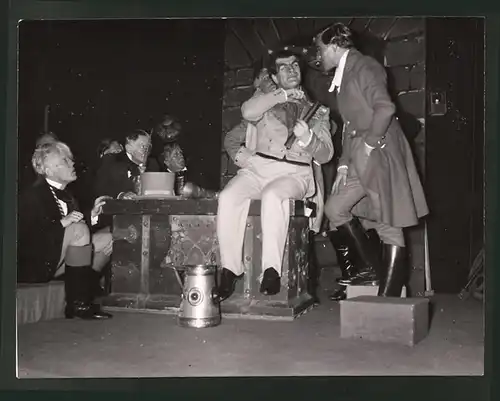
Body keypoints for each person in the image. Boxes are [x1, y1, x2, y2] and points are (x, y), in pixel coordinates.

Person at [315, 23, 429, 298]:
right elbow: (350, 125)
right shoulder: (344, 74)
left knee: (389, 223)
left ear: (333, 46)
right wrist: (343, 163)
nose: (318, 57)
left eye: (320, 50)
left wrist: (368, 144)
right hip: (358, 156)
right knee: (335, 209)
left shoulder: (365, 66)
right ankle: (378, 273)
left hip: (379, 152)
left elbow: (385, 108)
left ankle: (388, 295)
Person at [215, 48, 334, 302]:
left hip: (295, 173)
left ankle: (271, 270)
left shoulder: (318, 111)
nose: (291, 70)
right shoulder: (266, 98)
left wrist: (309, 138)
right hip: (259, 168)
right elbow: (247, 113)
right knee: (228, 197)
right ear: (275, 76)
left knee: (272, 196)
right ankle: (230, 268)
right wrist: (283, 94)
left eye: (295, 65)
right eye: (283, 67)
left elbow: (326, 155)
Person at [18, 141, 113, 319]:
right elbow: (26, 237)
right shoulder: (31, 196)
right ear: (48, 170)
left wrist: (91, 214)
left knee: (109, 239)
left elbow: (76, 233)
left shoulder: (67, 195)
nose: (72, 163)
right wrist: (63, 222)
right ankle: (78, 305)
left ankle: (86, 292)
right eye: (65, 161)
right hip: (37, 262)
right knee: (78, 229)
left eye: (70, 159)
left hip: (58, 256)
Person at [94, 129, 160, 200]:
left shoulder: (153, 164)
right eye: (142, 146)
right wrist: (121, 195)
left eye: (148, 147)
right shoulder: (112, 161)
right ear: (129, 148)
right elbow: (101, 188)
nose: (146, 151)